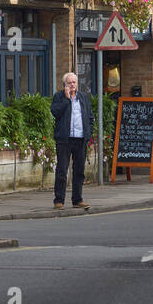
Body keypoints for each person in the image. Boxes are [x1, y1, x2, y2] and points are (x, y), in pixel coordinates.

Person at [51, 71, 93, 209]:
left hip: (80, 139)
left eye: (74, 82)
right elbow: (55, 112)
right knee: (62, 171)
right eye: (69, 83)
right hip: (65, 139)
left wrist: (89, 133)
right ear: (64, 85)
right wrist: (67, 100)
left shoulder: (83, 98)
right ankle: (59, 200)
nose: (72, 85)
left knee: (79, 171)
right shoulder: (59, 97)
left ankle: (77, 199)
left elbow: (90, 117)